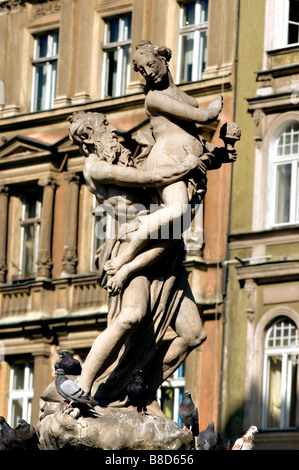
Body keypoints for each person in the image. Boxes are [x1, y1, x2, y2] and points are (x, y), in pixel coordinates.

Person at [68, 111, 207, 409]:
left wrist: (207, 160)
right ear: (89, 138)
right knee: (131, 316)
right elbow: (153, 176)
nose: (114, 131)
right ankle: (85, 387)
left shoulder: (121, 159)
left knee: (194, 334)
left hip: (163, 248)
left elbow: (161, 187)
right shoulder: (98, 168)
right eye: (106, 128)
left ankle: (141, 387)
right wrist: (187, 163)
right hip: (129, 246)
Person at [103, 40, 223, 283]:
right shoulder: (154, 98)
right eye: (142, 70)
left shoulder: (181, 95)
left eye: (150, 65)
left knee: (171, 234)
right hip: (167, 159)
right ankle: (123, 256)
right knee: (176, 210)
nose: (148, 72)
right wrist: (213, 109)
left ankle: (128, 267)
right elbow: (201, 116)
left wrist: (217, 153)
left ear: (163, 59)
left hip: (189, 162)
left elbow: (192, 133)